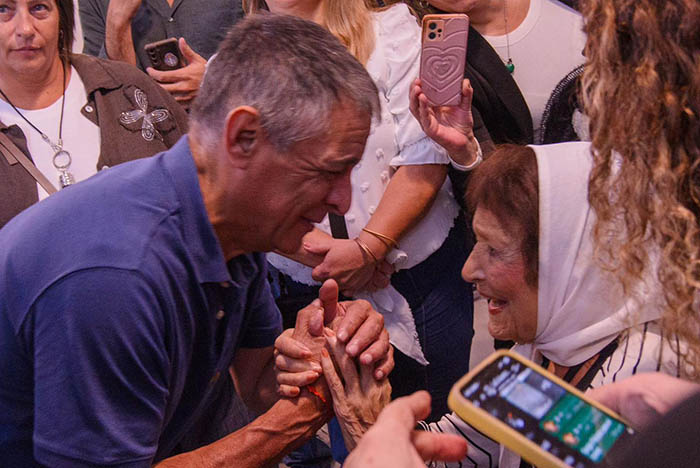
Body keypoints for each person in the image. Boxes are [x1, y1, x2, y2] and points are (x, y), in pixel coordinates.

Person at [0, 13, 394, 466]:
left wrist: (318, 358)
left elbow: (256, 384)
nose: (343, 202)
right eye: (327, 171)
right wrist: (301, 417)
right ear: (243, 138)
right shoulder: (115, 276)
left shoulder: (236, 226)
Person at [247, 0, 475, 419]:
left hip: (421, 281)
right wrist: (331, 261)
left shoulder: (392, 31)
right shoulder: (237, 60)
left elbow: (426, 151)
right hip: (309, 287)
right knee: (344, 422)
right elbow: (244, 190)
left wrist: (367, 249)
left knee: (438, 419)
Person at [0, 0, 188, 228]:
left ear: (61, 18)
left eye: (39, 8)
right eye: (3, 9)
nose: (25, 29)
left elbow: (199, 185)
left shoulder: (127, 86)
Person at [79, 0, 243, 107]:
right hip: (149, 142)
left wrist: (214, 82)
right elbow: (99, 94)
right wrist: (117, 22)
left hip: (224, 135)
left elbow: (258, 61)